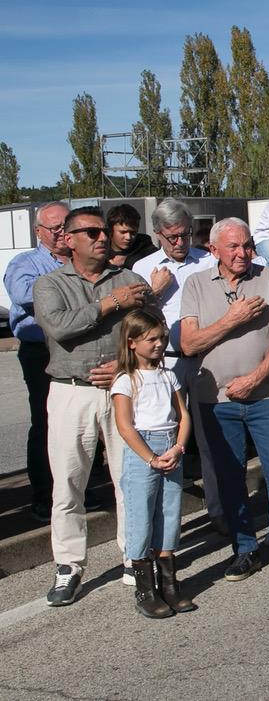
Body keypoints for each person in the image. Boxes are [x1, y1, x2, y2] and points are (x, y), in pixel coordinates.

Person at [33, 206, 158, 606]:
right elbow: (59, 327)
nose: (102, 238)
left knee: (129, 479)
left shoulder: (131, 280)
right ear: (68, 240)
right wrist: (111, 304)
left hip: (123, 389)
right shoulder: (50, 284)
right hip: (71, 392)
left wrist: (126, 364)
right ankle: (69, 566)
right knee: (69, 482)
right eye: (91, 232)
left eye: (104, 231)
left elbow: (156, 330)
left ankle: (133, 557)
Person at [180, 217, 269, 584]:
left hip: (266, 394)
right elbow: (189, 344)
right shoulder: (195, 285)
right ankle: (244, 549)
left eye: (248, 245)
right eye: (234, 247)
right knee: (228, 477)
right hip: (215, 399)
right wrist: (232, 318)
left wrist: (255, 378)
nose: (243, 253)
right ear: (213, 249)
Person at [131, 199, 221, 532]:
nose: (180, 242)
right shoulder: (143, 269)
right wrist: (155, 292)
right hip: (162, 365)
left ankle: (219, 509)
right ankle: (162, 523)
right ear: (157, 235)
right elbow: (135, 320)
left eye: (184, 234)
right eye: (171, 237)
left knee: (210, 439)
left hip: (203, 360)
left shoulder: (209, 262)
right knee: (162, 441)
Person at [111, 308, 195, 618]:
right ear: (132, 342)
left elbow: (183, 415)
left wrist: (179, 448)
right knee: (141, 516)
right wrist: (151, 457)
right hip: (142, 452)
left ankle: (170, 586)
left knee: (170, 514)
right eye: (151, 339)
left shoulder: (167, 374)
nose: (159, 344)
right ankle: (145, 590)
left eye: (162, 338)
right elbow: (125, 426)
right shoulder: (125, 380)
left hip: (170, 448)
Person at [4, 200, 70, 522]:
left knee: (78, 424)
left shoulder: (82, 261)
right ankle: (44, 495)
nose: (61, 233)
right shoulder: (24, 263)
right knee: (45, 423)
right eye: (53, 228)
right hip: (41, 352)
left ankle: (79, 491)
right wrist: (74, 289)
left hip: (76, 348)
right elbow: (24, 295)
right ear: (38, 231)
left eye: (65, 226)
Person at [105, 204, 157, 270]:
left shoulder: (145, 247)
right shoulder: (101, 249)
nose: (128, 237)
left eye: (132, 232)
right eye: (123, 232)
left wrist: (127, 261)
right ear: (110, 231)